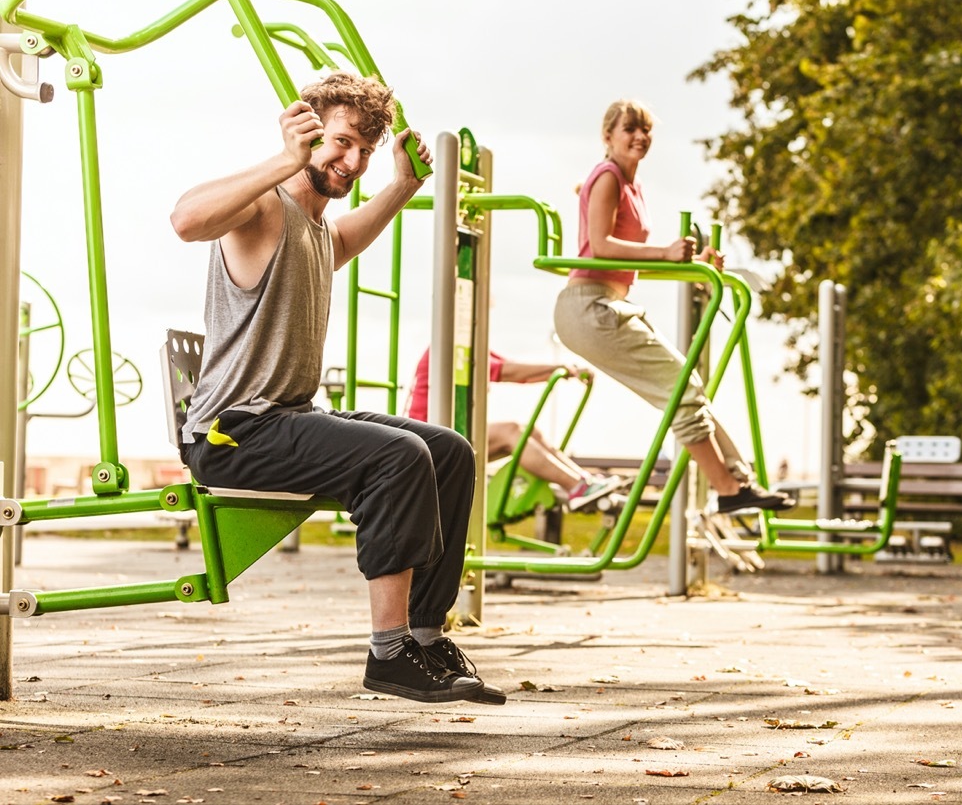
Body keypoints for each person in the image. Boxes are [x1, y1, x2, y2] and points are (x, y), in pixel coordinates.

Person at [170, 71, 504, 707]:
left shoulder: (318, 228)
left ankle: (427, 639)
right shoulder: (266, 206)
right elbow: (186, 220)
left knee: (449, 450)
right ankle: (389, 653)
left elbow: (349, 234)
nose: (350, 163)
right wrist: (284, 159)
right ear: (310, 128)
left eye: (363, 153)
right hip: (232, 432)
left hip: (285, 420)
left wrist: (403, 185)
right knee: (396, 457)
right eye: (341, 143)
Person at [553, 99, 795, 515]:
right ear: (608, 136)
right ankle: (728, 490)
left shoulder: (633, 185)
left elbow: (632, 257)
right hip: (589, 307)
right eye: (630, 128)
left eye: (646, 129)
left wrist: (693, 263)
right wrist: (666, 252)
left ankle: (739, 481)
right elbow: (602, 245)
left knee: (689, 387)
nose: (640, 136)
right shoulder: (608, 176)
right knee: (681, 390)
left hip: (608, 303)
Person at [406, 347, 623, 510]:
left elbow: (515, 372)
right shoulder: (453, 346)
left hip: (448, 433)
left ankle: (583, 482)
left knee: (529, 431)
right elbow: (508, 372)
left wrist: (565, 372)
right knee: (511, 432)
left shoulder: (471, 345)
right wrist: (561, 368)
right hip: (429, 439)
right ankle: (577, 487)